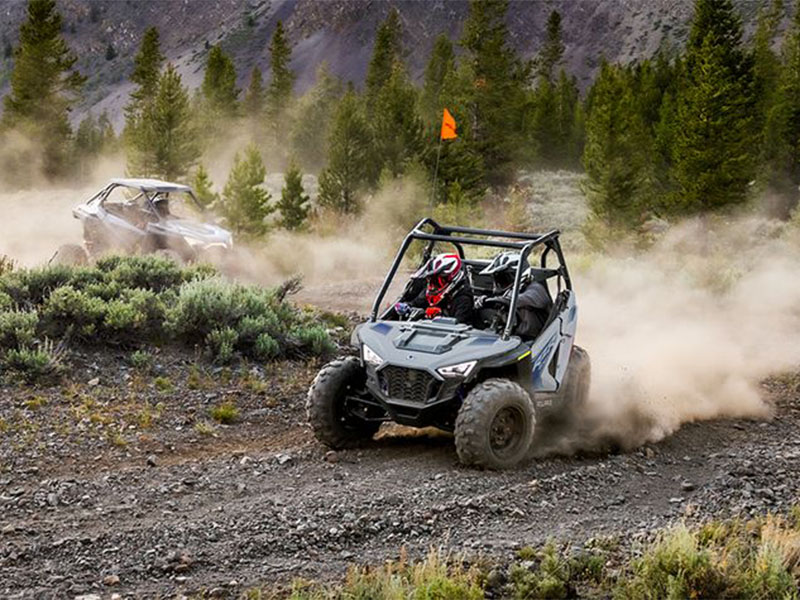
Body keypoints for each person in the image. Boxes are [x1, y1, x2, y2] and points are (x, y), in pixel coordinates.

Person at [478, 251, 552, 339]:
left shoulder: (536, 289)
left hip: (535, 338)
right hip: (513, 335)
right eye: (497, 279)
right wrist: (482, 300)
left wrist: (496, 300)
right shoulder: (510, 291)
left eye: (502, 279)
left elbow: (520, 300)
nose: (498, 284)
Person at [394, 253, 475, 324]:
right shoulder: (430, 291)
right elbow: (417, 303)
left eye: (437, 281)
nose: (433, 286)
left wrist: (439, 315)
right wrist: (406, 306)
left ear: (451, 278)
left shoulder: (464, 299)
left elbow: (459, 327)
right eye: (430, 280)